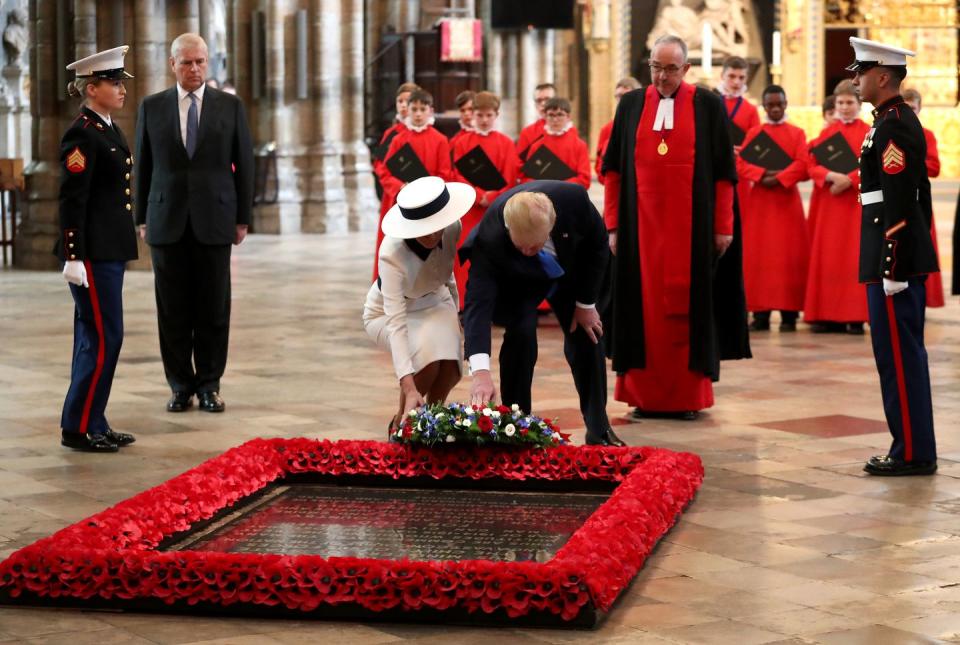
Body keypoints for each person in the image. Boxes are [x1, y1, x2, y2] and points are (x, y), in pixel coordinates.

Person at [602, 35, 750, 421]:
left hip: (694, 234)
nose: (662, 76)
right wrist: (613, 226)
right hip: (640, 234)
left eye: (670, 69)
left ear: (686, 70)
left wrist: (724, 227)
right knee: (641, 311)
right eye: (655, 67)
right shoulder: (631, 104)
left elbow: (723, 175)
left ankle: (686, 397)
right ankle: (642, 395)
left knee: (688, 311)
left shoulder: (708, 105)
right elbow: (613, 171)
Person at [135, 33, 254, 414]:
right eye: (187, 62)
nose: (195, 69)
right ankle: (179, 385)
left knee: (213, 307)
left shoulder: (230, 106)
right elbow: (144, 165)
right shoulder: (151, 107)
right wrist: (140, 217)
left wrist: (242, 219)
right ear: (172, 65)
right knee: (172, 309)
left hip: (216, 219)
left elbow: (245, 166)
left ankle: (209, 385)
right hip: (166, 217)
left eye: (200, 61)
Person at [461, 182, 624, 446]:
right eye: (524, 246)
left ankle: (599, 428)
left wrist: (585, 304)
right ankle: (517, 427)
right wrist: (480, 373)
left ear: (552, 223)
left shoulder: (574, 201)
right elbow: (477, 307)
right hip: (517, 279)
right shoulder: (489, 241)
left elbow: (597, 246)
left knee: (588, 335)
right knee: (521, 335)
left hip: (568, 267)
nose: (530, 251)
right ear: (508, 230)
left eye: (536, 245)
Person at [848, 37, 938, 476]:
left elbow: (903, 200)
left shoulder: (895, 124)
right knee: (894, 357)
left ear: (882, 76)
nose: (856, 81)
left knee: (900, 359)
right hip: (886, 252)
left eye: (861, 73)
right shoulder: (886, 121)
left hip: (893, 259)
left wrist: (893, 265)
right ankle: (909, 445)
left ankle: (912, 452)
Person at [56, 46, 138, 452]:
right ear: (92, 88)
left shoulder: (106, 127)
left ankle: (93, 420)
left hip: (107, 249)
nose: (122, 89)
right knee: (104, 337)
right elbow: (74, 198)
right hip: (92, 253)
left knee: (99, 336)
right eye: (115, 83)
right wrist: (73, 255)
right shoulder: (82, 133)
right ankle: (79, 427)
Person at [364, 177, 475, 433]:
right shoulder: (391, 254)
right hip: (387, 312)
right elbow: (396, 322)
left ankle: (429, 427)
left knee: (450, 369)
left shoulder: (452, 227)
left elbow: (447, 275)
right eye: (426, 228)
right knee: (425, 365)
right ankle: (402, 426)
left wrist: (457, 316)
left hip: (437, 301)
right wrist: (408, 385)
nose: (434, 234)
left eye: (437, 226)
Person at [736, 85, 809, 332]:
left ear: (786, 104)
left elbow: (803, 163)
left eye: (779, 104)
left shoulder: (797, 133)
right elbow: (740, 162)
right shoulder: (756, 133)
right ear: (764, 107)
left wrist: (778, 178)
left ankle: (789, 314)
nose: (775, 109)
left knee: (789, 256)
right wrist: (761, 175)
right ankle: (760, 312)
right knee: (760, 256)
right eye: (771, 105)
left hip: (787, 201)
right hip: (761, 203)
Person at [802, 80, 870, 334]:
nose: (844, 107)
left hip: (855, 204)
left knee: (853, 256)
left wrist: (849, 180)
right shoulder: (826, 134)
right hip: (829, 204)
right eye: (840, 103)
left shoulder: (869, 131)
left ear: (859, 104)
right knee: (828, 256)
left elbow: (874, 165)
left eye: (849, 103)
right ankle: (826, 314)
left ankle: (855, 316)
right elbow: (810, 163)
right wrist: (831, 177)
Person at [450, 91, 520, 309]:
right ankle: (464, 303)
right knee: (465, 258)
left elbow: (510, 176)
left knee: (496, 255)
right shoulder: (462, 143)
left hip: (495, 210)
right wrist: (478, 195)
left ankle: (497, 304)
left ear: (496, 115)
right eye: (479, 115)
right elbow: (456, 174)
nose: (484, 119)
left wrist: (493, 197)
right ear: (473, 115)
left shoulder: (506, 143)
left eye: (489, 115)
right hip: (470, 210)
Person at [374, 89, 453, 278]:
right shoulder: (399, 140)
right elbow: (385, 171)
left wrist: (429, 192)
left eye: (422, 109)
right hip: (406, 204)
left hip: (430, 205)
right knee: (404, 251)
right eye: (414, 109)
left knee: (430, 251)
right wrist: (401, 187)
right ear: (407, 111)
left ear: (430, 111)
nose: (418, 114)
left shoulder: (441, 140)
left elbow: (445, 173)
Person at [902, 88, 944, 308]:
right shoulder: (892, 129)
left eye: (913, 108)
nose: (910, 112)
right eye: (905, 107)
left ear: (919, 109)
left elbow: (935, 167)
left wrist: (909, 166)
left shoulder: (926, 134)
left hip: (919, 200)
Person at [718, 56, 761, 215]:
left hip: (740, 171)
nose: (736, 82)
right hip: (714, 167)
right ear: (722, 76)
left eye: (741, 77)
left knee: (741, 214)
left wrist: (742, 150)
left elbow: (756, 147)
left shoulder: (751, 110)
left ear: (746, 79)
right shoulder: (712, 103)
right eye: (731, 76)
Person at [518, 97, 591, 189]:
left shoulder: (580, 145)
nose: (555, 119)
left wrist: (557, 187)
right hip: (542, 195)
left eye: (560, 115)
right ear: (545, 117)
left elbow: (585, 179)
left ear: (568, 117)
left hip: (570, 195)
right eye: (551, 115)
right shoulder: (536, 146)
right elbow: (526, 178)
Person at [371, 82, 419, 201]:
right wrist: (399, 186)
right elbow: (379, 166)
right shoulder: (391, 133)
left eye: (407, 101)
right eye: (400, 101)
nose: (403, 105)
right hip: (396, 194)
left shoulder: (422, 133)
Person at [516, 83, 578, 162]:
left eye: (547, 99)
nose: (543, 103)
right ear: (535, 105)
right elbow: (519, 163)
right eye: (539, 100)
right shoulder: (527, 132)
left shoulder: (570, 130)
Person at [595, 77, 641, 184]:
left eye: (626, 96)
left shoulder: (647, 125)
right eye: (619, 96)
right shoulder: (606, 129)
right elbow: (599, 166)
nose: (622, 100)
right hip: (615, 186)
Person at [807, 94, 838, 240]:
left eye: (837, 112)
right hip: (823, 193)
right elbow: (808, 165)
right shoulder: (815, 142)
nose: (835, 117)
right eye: (831, 113)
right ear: (824, 116)